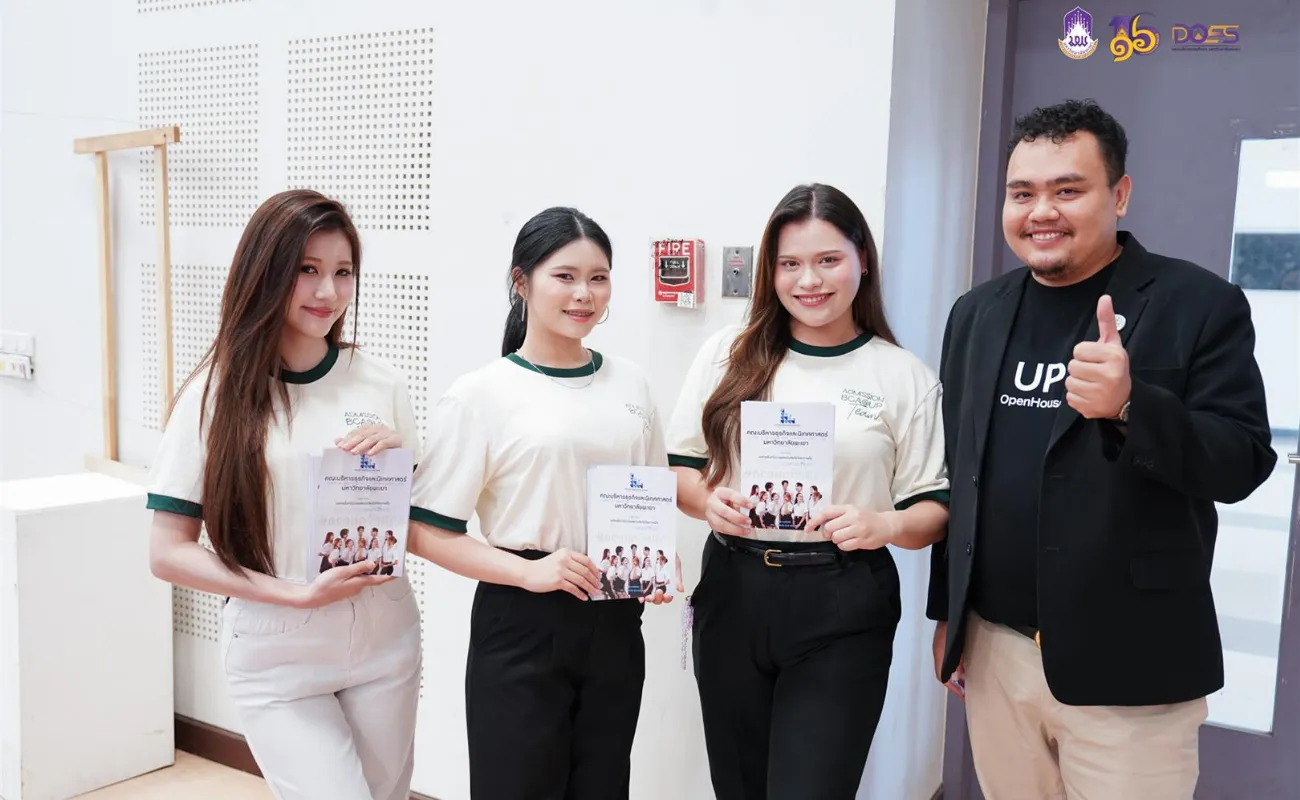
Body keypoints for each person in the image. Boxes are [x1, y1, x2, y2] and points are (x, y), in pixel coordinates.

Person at [927, 99, 1278, 798]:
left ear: (1119, 194)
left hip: (1131, 666)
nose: (1041, 212)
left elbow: (1241, 461)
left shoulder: (1197, 304)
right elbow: (961, 476)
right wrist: (950, 616)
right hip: (996, 653)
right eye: (1022, 193)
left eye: (1067, 190)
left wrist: (1130, 406)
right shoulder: (976, 313)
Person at [666, 183, 951, 799]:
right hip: (733, 591)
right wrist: (707, 501)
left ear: (862, 259)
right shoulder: (728, 354)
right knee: (739, 786)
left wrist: (884, 525)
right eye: (790, 263)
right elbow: (680, 470)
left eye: (828, 260)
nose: (809, 281)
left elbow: (933, 509)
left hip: (844, 595)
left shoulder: (902, 375)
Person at [145, 189, 424, 800]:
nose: (328, 291)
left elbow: (419, 519)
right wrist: (294, 594)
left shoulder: (381, 383)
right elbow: (167, 552)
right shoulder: (213, 396)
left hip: (384, 637)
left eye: (343, 272)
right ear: (265, 271)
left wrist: (404, 459)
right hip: (276, 648)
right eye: (308, 269)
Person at [406, 206, 682, 800]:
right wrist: (530, 573)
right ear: (522, 282)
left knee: (603, 787)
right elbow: (425, 530)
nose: (585, 293)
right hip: (522, 619)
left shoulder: (631, 383)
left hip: (615, 618)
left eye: (599, 277)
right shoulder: (481, 394)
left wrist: (661, 558)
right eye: (565, 276)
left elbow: (650, 492)